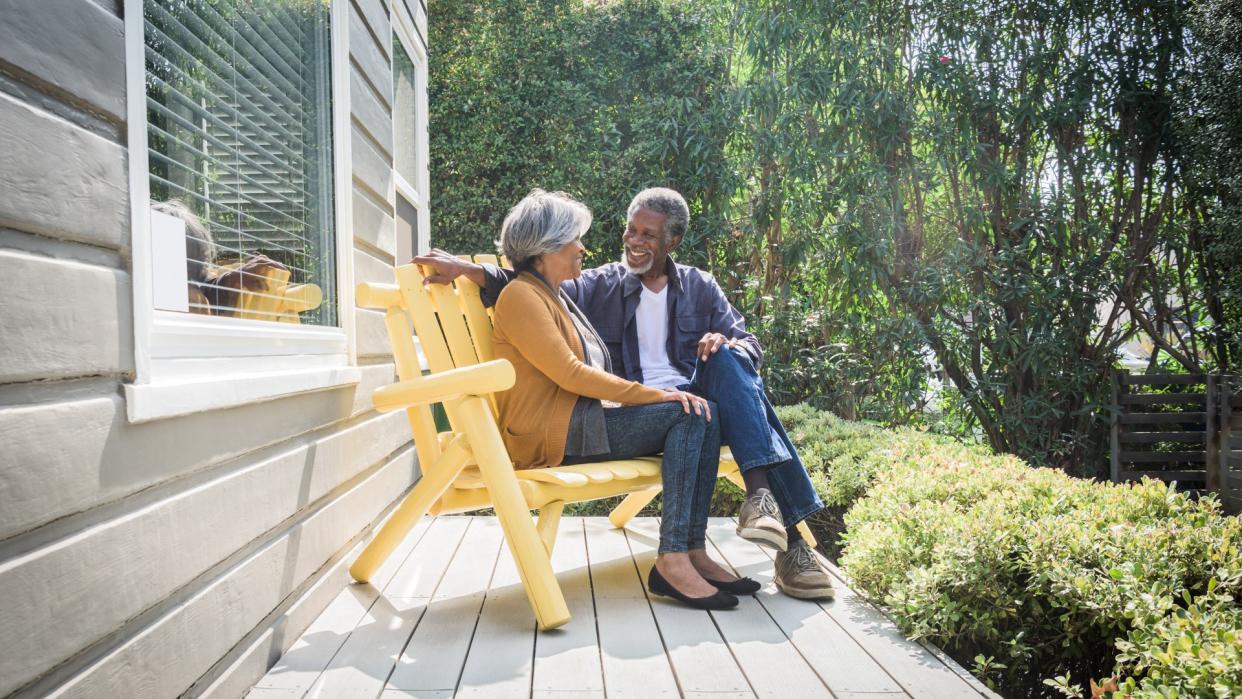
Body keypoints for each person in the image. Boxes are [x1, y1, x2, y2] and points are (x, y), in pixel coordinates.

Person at [416, 187, 835, 601]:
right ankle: (765, 540)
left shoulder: (700, 287)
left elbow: (750, 346)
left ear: (673, 241)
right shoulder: (591, 287)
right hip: (614, 413)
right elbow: (532, 291)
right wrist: (468, 270)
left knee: (728, 364)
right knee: (702, 410)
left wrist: (725, 346)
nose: (631, 242)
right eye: (630, 231)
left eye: (648, 235)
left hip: (678, 398)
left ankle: (719, 529)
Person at [489, 189, 759, 611]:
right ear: (545, 249)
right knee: (688, 412)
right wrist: (658, 396)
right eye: (574, 240)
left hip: (580, 425)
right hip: (552, 438)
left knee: (700, 412)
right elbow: (572, 375)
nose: (583, 248)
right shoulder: (523, 297)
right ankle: (674, 557)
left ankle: (689, 551)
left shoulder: (554, 295)